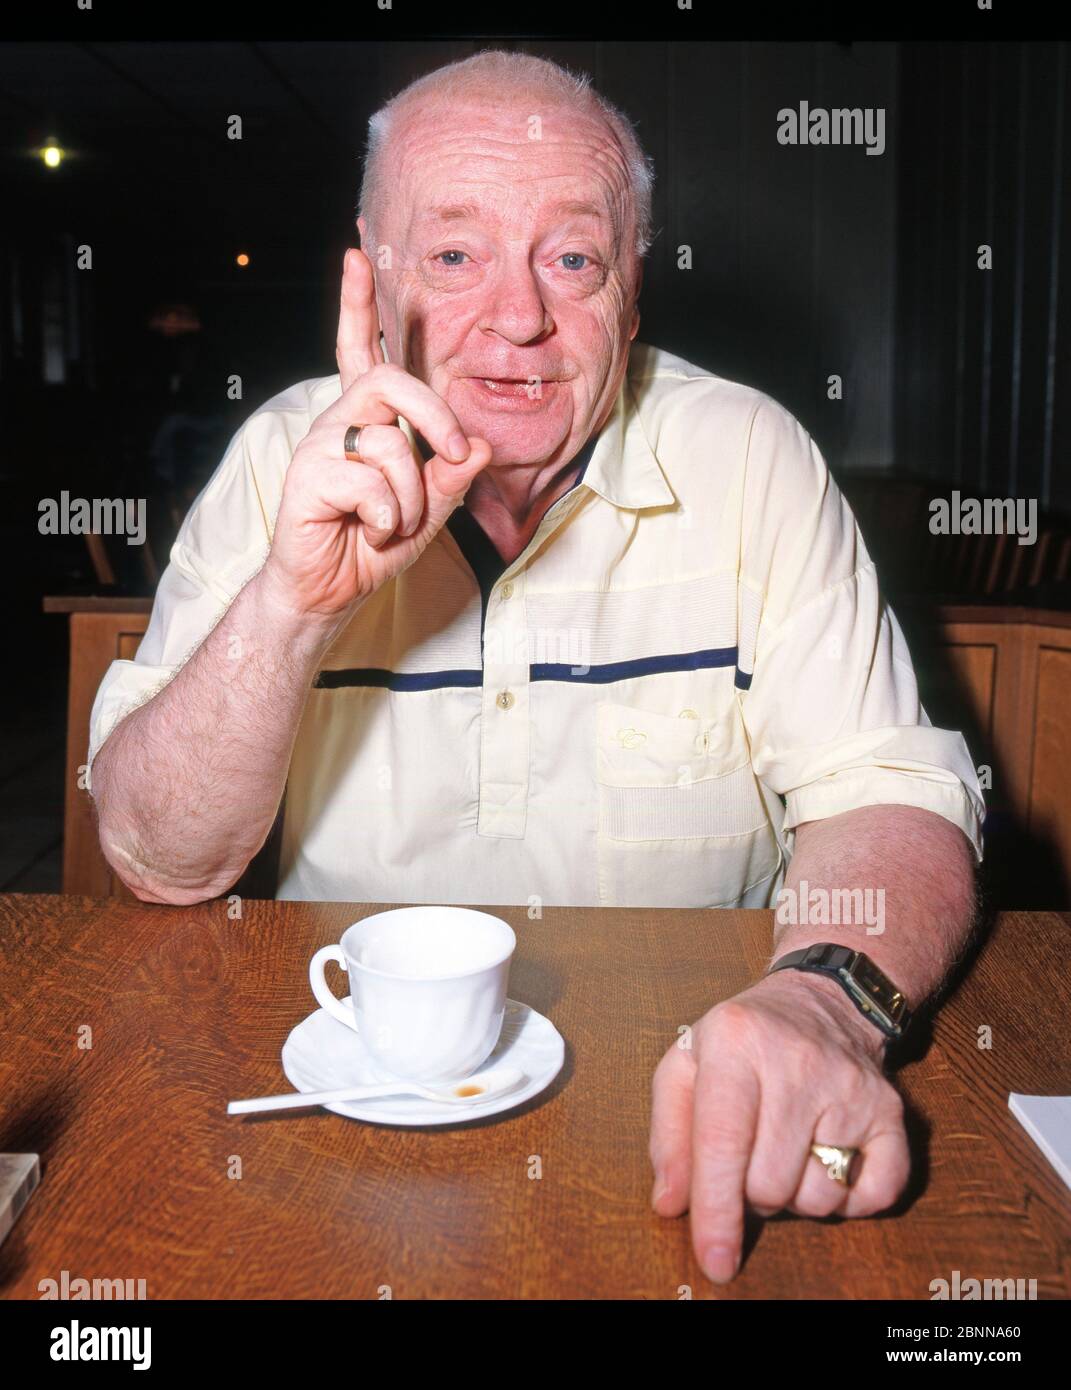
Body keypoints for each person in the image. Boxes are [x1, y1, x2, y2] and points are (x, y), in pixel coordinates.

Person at [88, 50, 983, 1285]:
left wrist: (821, 1004)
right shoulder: (278, 460)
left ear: (632, 292)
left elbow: (888, 793)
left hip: (680, 1120)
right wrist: (291, 608)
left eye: (572, 258)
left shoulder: (754, 457)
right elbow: (154, 856)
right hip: (336, 1137)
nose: (519, 317)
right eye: (454, 256)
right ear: (372, 271)